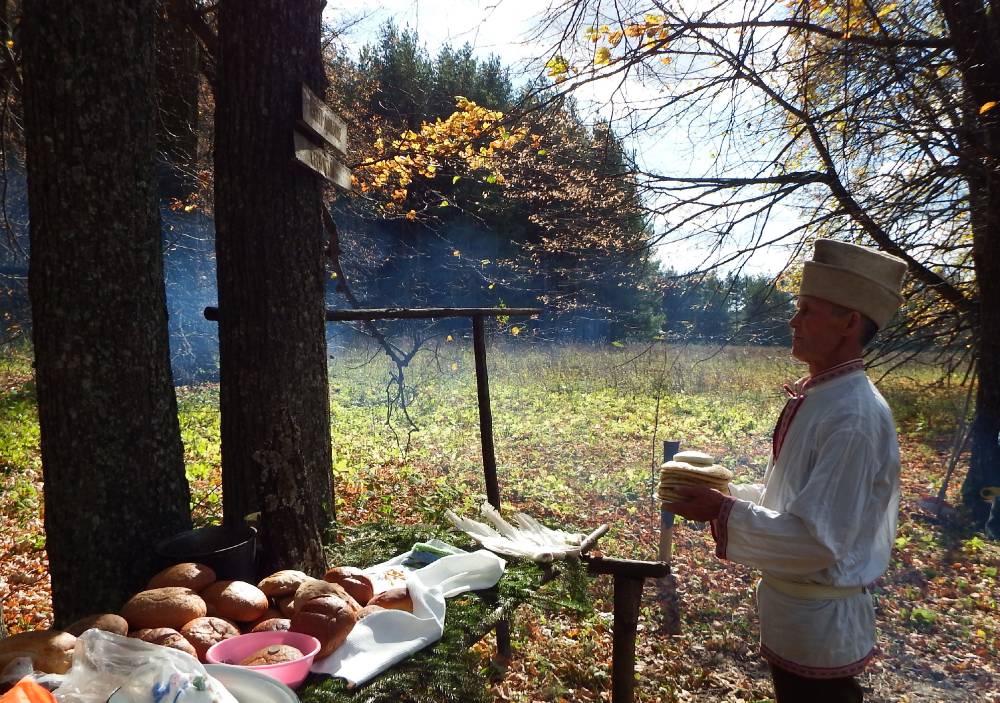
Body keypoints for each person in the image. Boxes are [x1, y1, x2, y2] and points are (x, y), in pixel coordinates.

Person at [667, 239, 907, 703]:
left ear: (849, 323)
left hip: (821, 627)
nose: (793, 321)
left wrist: (723, 510)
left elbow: (817, 539)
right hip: (797, 616)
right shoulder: (825, 397)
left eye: (807, 310)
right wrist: (722, 490)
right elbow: (795, 498)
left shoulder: (853, 415)